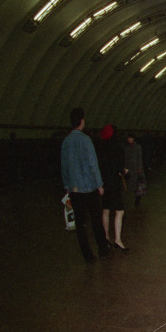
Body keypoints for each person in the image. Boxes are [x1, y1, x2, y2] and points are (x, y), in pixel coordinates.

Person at [60, 107, 111, 262]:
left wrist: (67, 185)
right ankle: (102, 249)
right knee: (96, 220)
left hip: (74, 189)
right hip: (89, 187)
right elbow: (92, 164)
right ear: (81, 121)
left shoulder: (66, 142)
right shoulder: (86, 140)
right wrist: (99, 184)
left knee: (80, 224)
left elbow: (64, 166)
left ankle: (87, 255)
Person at [97, 125, 129, 251]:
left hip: (104, 183)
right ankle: (118, 240)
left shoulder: (100, 147)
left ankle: (106, 238)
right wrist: (124, 171)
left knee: (105, 210)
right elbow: (120, 168)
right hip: (114, 183)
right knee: (119, 211)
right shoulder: (118, 147)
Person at [124, 131, 144, 207]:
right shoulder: (127, 148)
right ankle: (136, 197)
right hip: (130, 169)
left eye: (130, 138)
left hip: (137, 168)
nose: (129, 139)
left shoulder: (138, 147)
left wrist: (140, 168)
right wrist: (125, 167)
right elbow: (126, 159)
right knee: (132, 185)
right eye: (128, 138)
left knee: (138, 184)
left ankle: (138, 198)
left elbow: (139, 158)